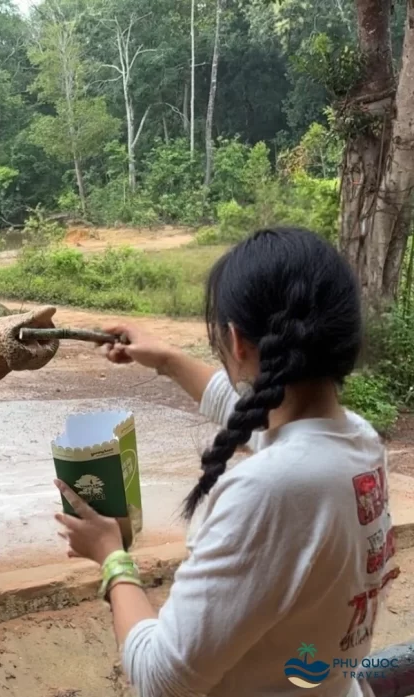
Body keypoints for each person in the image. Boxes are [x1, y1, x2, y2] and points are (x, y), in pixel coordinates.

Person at [54, 227, 398, 696]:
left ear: (237, 342)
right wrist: (168, 360)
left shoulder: (267, 491)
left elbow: (160, 678)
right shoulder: (357, 441)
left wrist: (112, 558)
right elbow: (256, 420)